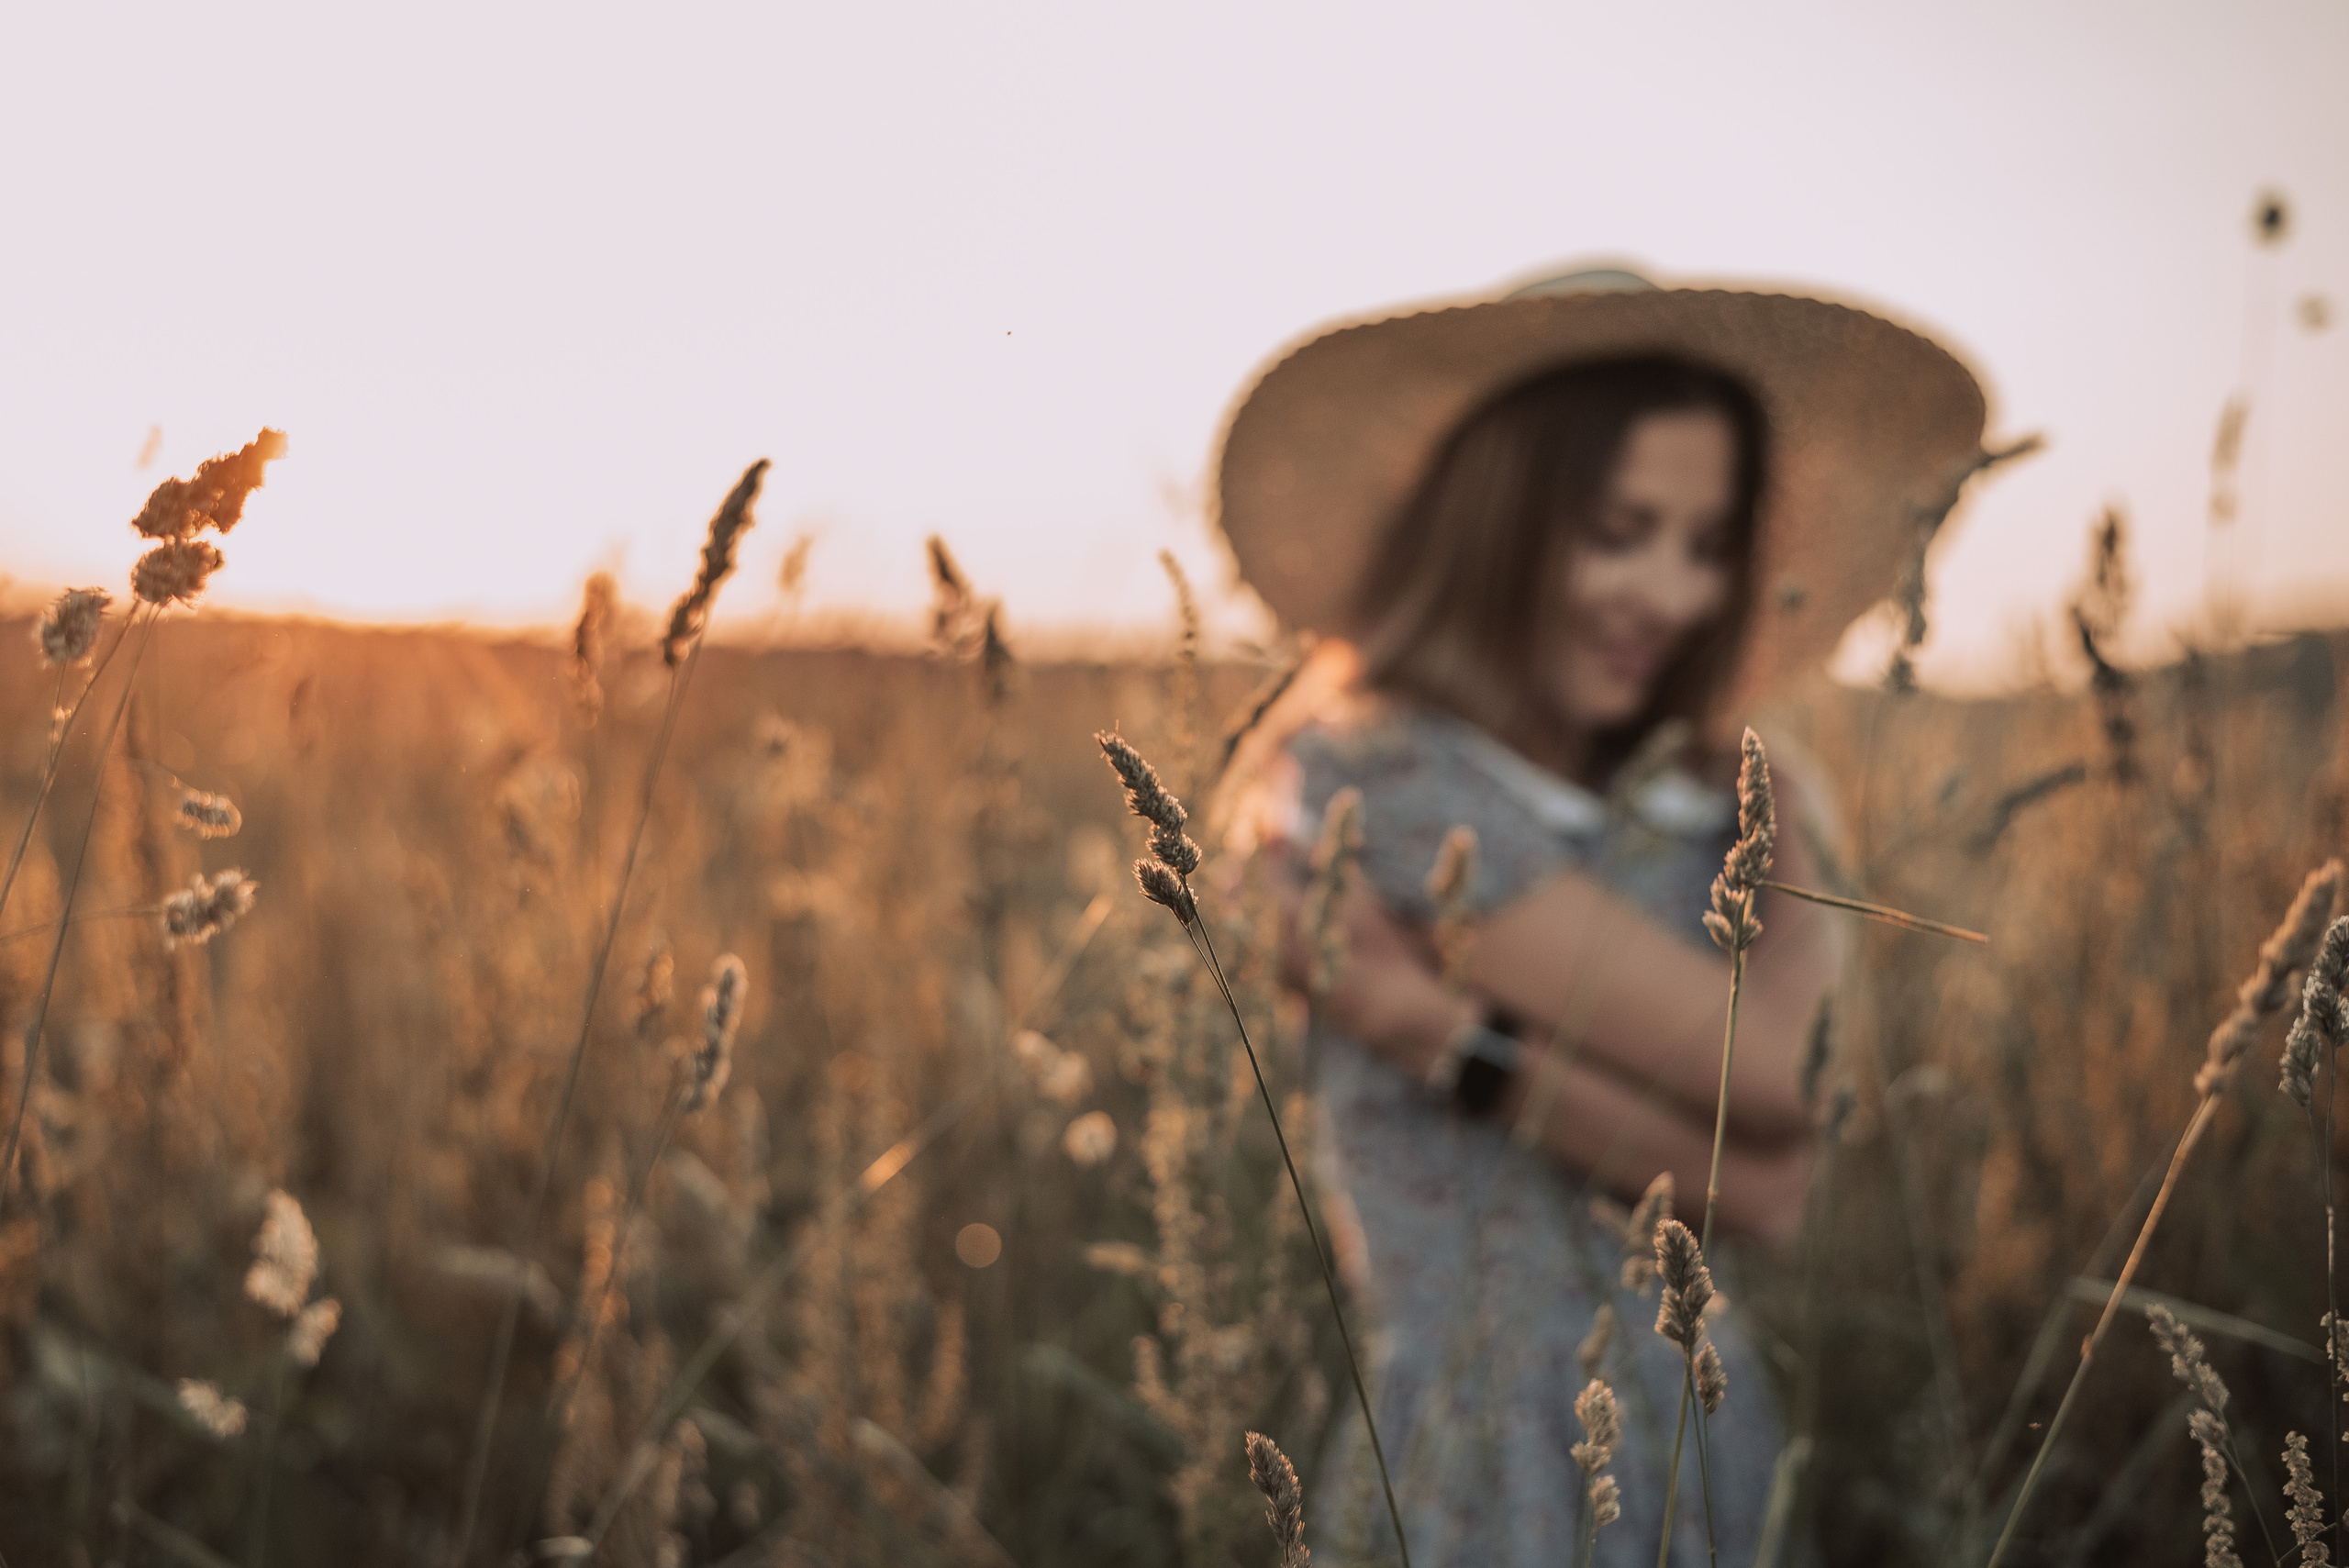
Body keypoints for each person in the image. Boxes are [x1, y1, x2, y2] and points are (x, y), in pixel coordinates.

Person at [1212, 265, 1998, 1564]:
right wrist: (1792, 859)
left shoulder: (1694, 801)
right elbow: (1766, 1078)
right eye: (1617, 528)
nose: (1667, 593)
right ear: (1495, 525)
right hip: (1496, 1449)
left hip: (1698, 1423)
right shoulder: (1397, 786)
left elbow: (1777, 1180)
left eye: (1708, 546)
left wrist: (1435, 1028)